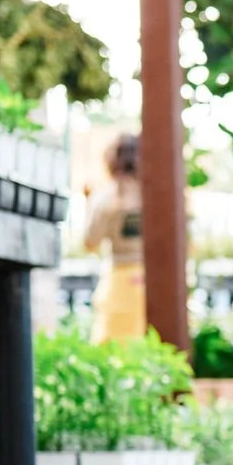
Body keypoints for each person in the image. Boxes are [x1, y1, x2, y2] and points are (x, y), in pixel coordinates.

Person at [82, 133, 145, 343]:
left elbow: (90, 242)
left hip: (119, 279)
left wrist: (87, 202)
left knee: (111, 345)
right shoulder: (155, 195)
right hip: (152, 280)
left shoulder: (106, 199)